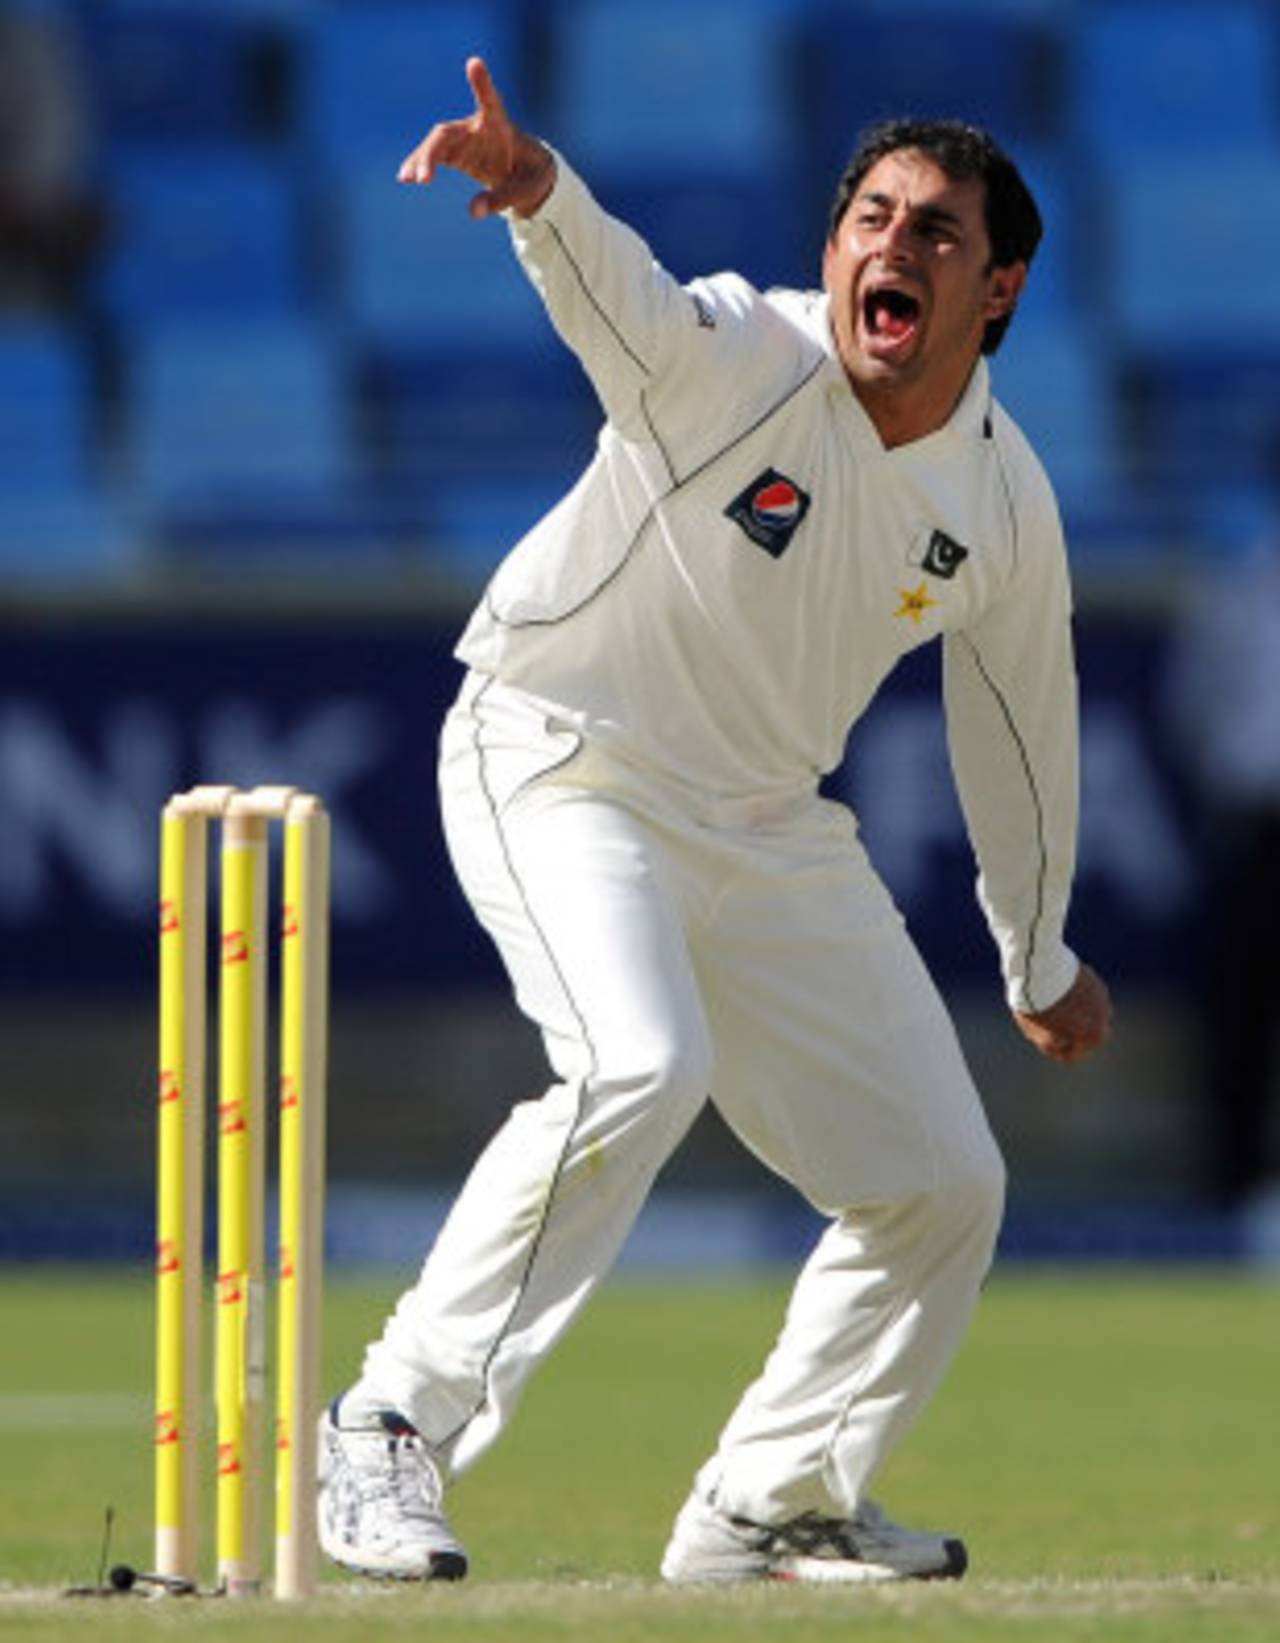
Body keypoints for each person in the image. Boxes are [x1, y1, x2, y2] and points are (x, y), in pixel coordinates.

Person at [317, 57, 1112, 1585]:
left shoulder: (1003, 504)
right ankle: (389, 1425)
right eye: (871, 219)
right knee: (639, 1060)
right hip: (560, 753)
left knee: (942, 1183)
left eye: (937, 235)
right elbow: (627, 302)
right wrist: (541, 195)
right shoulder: (749, 351)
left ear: (997, 287)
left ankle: (772, 1497)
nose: (893, 249)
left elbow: (1018, 736)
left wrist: (1034, 952)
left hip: (763, 824)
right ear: (832, 252)